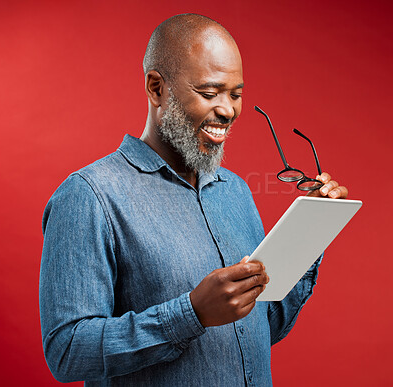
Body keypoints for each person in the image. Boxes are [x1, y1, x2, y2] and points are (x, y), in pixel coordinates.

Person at [39, 13, 348, 386]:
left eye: (236, 95)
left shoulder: (234, 190)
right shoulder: (90, 196)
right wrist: (192, 313)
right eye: (209, 92)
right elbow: (68, 352)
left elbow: (260, 331)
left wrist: (310, 237)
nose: (228, 110)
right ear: (156, 88)